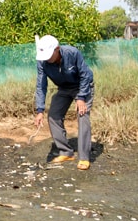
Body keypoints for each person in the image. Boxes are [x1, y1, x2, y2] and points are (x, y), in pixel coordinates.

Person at [34, 35, 95, 170]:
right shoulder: (42, 61)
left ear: (57, 49)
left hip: (83, 86)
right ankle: (66, 152)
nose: (47, 59)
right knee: (53, 115)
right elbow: (41, 85)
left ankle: (84, 157)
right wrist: (39, 110)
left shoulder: (72, 53)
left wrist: (81, 97)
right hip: (64, 88)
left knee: (82, 114)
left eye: (50, 55)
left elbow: (85, 75)